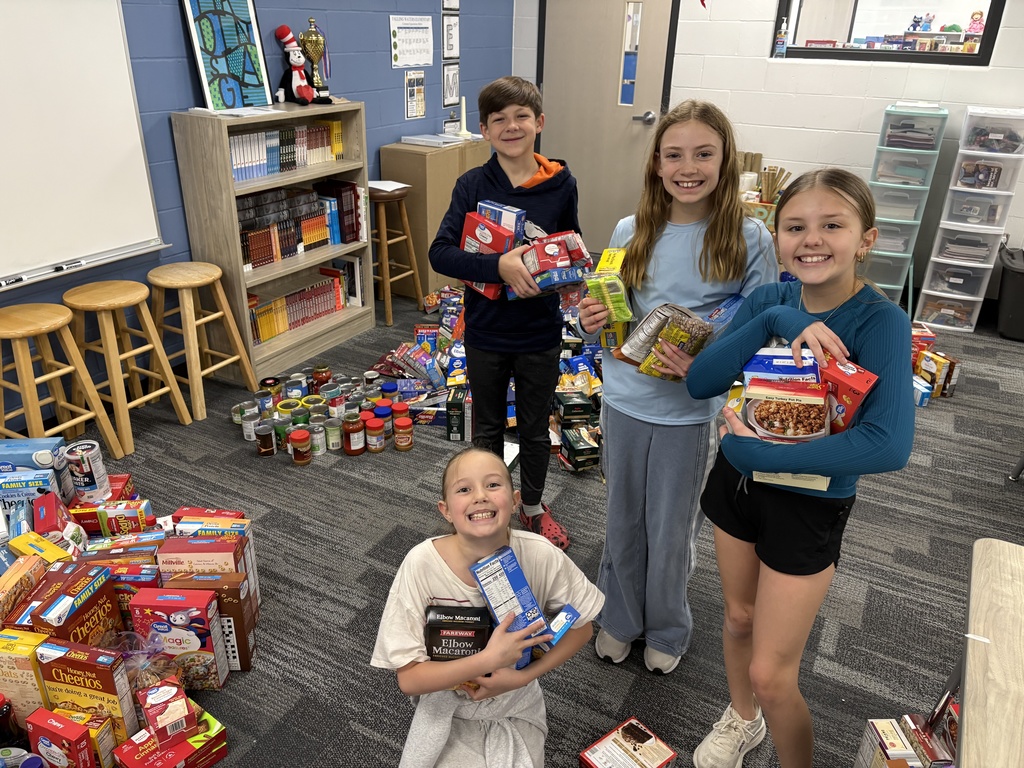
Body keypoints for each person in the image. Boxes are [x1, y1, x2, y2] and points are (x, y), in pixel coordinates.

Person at [686, 168, 914, 768]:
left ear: (866, 238)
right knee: (737, 618)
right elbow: (701, 380)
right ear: (777, 236)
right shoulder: (769, 299)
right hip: (736, 489)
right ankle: (741, 721)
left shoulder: (878, 321)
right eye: (795, 227)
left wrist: (763, 454)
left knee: (773, 674)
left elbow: (887, 444)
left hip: (808, 504)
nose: (811, 239)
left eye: (832, 225)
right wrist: (774, 321)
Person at [577, 100, 775, 675]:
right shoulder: (628, 230)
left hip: (689, 411)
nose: (688, 167)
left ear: (725, 160)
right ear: (657, 165)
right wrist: (592, 318)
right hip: (623, 399)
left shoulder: (749, 236)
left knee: (671, 527)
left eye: (703, 154)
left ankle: (667, 625)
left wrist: (712, 346)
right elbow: (612, 315)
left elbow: (761, 326)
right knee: (621, 517)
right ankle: (618, 617)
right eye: (674, 155)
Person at [370, 446, 604, 767]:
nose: (480, 496)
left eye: (493, 485)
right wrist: (488, 659)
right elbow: (409, 679)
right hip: (446, 703)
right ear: (446, 510)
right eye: (464, 489)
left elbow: (580, 623)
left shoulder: (540, 554)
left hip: (515, 698)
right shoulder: (422, 564)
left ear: (516, 500)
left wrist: (524, 676)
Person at [429, 76, 581, 551]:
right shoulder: (472, 185)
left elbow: (570, 244)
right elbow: (441, 254)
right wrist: (498, 265)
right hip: (487, 331)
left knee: (536, 428)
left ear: (539, 123)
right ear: (484, 130)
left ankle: (532, 509)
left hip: (540, 331)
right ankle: (489, 513)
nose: (511, 127)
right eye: (499, 120)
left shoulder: (560, 184)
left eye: (521, 117)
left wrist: (575, 274)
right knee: (488, 429)